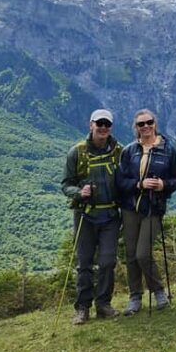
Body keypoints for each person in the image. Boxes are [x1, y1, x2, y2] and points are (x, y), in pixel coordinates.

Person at [116, 109, 176, 315]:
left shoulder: (168, 150)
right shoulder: (128, 151)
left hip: (154, 207)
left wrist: (163, 185)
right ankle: (135, 297)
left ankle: (159, 291)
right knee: (131, 254)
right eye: (141, 124)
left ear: (155, 123)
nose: (145, 127)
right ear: (135, 128)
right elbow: (120, 181)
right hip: (130, 208)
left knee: (142, 253)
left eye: (149, 122)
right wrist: (139, 184)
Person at [61, 108, 123, 324]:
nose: (103, 127)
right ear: (91, 125)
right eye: (100, 123)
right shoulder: (76, 152)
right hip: (85, 215)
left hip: (111, 215)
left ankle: (103, 304)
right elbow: (65, 184)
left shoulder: (118, 152)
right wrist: (79, 193)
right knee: (84, 263)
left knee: (107, 261)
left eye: (107, 124)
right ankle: (82, 308)